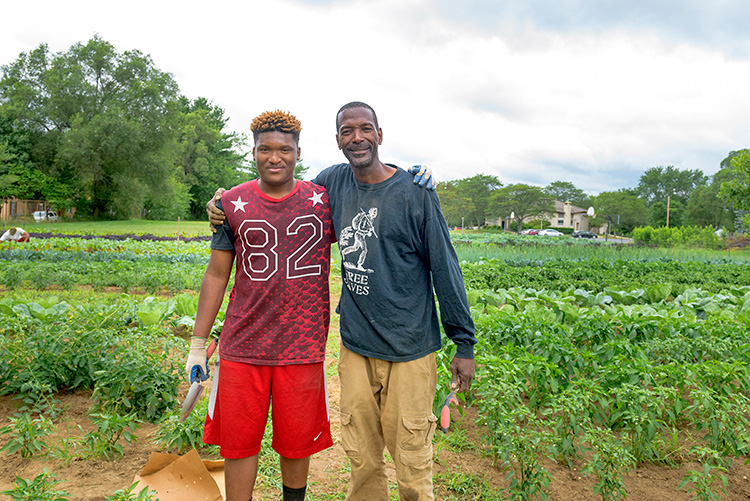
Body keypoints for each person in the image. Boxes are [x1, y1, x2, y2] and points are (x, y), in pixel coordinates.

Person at [208, 102, 476, 501]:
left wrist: (463, 340)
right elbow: (280, 187)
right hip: (355, 344)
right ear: (337, 141)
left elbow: (445, 267)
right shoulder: (332, 185)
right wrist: (222, 204)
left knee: (412, 456)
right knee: (362, 456)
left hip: (410, 346)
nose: (357, 137)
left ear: (379, 135)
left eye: (365, 129)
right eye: (347, 131)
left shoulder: (414, 193)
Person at [186, 110, 335, 501]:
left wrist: (412, 178)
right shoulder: (232, 202)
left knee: (297, 441)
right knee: (239, 443)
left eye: (284, 149)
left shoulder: (323, 202)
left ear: (298, 152)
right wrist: (198, 344)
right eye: (265, 149)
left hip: (302, 345)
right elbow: (217, 276)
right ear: (252, 152)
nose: (275, 157)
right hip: (242, 344)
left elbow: (371, 190)